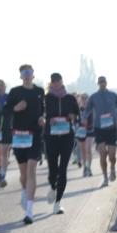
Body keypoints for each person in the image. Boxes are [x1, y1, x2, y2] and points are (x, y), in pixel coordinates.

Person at [6, 64, 45, 224]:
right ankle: (24, 190)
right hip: (19, 136)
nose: (27, 75)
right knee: (23, 174)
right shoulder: (15, 92)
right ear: (21, 76)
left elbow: (43, 109)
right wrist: (16, 108)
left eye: (29, 72)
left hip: (35, 135)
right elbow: (6, 111)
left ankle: (29, 212)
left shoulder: (39, 91)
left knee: (31, 170)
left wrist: (43, 118)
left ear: (33, 75)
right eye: (24, 73)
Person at [43, 73, 80, 215]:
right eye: (53, 82)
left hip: (66, 137)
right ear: (51, 83)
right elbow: (41, 114)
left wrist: (72, 116)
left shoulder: (70, 98)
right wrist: (47, 120)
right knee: (53, 169)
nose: (56, 84)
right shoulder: (46, 99)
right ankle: (53, 186)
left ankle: (57, 203)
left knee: (63, 169)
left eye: (58, 81)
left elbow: (78, 115)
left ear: (62, 82)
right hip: (51, 137)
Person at [85, 76, 117, 186]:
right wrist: (83, 119)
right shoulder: (93, 97)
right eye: (100, 82)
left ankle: (112, 168)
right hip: (99, 128)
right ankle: (105, 178)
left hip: (111, 128)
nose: (102, 83)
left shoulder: (113, 95)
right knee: (102, 154)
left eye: (103, 82)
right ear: (98, 83)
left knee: (112, 155)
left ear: (106, 83)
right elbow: (87, 110)